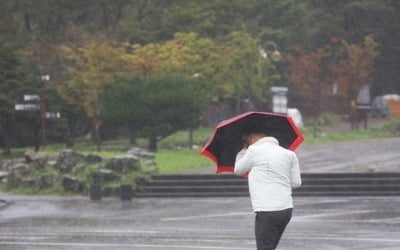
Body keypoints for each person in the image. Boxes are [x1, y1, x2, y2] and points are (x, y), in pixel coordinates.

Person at [234, 132, 301, 250]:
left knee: (264, 247)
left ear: (254, 137)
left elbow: (238, 169)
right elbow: (296, 183)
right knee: (270, 246)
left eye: (249, 140)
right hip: (286, 210)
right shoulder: (289, 154)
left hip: (267, 210)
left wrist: (243, 150)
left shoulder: (253, 150)